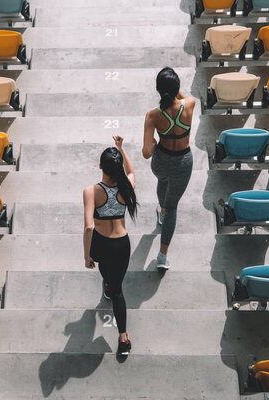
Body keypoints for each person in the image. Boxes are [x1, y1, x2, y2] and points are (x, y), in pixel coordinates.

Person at [83, 136, 137, 356]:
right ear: (118, 169)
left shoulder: (91, 191)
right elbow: (132, 172)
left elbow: (88, 227)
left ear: (100, 167)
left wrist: (86, 255)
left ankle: (108, 284)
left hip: (100, 242)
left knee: (110, 281)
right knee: (117, 288)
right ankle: (123, 338)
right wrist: (122, 149)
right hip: (121, 244)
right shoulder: (127, 186)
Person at [142, 67, 195, 270]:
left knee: (162, 181)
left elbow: (147, 152)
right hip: (183, 163)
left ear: (157, 90)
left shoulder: (153, 115)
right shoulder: (190, 105)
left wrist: (155, 143)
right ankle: (162, 256)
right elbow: (184, 97)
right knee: (174, 206)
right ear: (177, 88)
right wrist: (175, 90)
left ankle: (162, 211)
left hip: (162, 160)